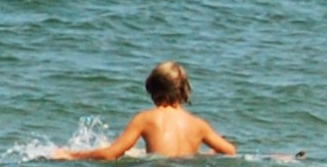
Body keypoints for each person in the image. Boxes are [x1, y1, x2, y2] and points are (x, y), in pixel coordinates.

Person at [57, 63, 239, 161]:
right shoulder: (199, 125)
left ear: (152, 89)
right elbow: (230, 151)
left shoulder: (145, 119)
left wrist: (72, 155)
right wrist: (204, 155)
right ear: (184, 91)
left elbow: (111, 154)